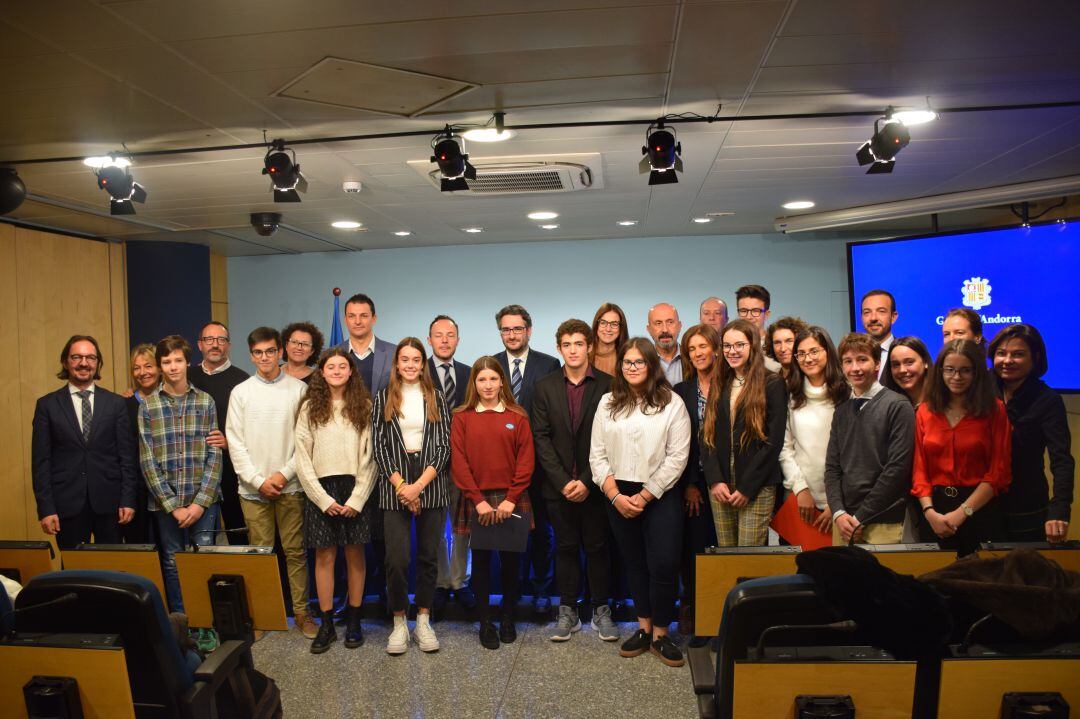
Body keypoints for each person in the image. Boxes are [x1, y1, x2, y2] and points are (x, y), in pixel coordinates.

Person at [590, 338, 690, 667]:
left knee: (662, 564)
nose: (632, 368)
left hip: (660, 493)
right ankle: (643, 628)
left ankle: (662, 633)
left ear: (651, 365)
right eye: (627, 362)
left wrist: (646, 495)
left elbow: (677, 458)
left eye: (639, 362)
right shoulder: (607, 403)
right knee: (634, 563)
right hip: (617, 493)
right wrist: (615, 495)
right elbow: (597, 455)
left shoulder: (672, 402)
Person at [530, 319, 617, 643]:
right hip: (558, 488)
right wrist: (564, 481)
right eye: (567, 345)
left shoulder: (609, 385)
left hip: (596, 486)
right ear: (559, 348)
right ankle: (567, 610)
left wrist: (587, 482)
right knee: (565, 548)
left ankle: (601, 610)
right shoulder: (545, 386)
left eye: (579, 344)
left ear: (590, 347)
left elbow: (612, 438)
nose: (573, 350)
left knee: (597, 548)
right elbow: (541, 437)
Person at [225, 327, 312, 638]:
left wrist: (283, 475)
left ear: (280, 352)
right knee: (261, 556)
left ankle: (302, 613)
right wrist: (258, 480)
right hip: (253, 490)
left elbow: (305, 441)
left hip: (290, 486)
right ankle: (262, 617)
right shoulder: (241, 392)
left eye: (270, 351)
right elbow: (235, 444)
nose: (265, 357)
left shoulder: (299, 390)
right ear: (251, 355)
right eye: (258, 353)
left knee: (296, 553)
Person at [294, 348, 378, 654]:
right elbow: (302, 458)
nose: (338, 370)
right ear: (322, 372)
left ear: (351, 371)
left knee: (355, 554)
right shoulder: (308, 409)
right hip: (321, 491)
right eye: (331, 366)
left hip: (356, 488)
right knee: (324, 557)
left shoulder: (364, 406)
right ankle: (327, 623)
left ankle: (354, 619)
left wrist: (357, 498)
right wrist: (320, 498)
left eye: (343, 366)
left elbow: (371, 458)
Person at [371, 338, 451, 655]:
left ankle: (424, 619)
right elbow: (379, 447)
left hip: (430, 478)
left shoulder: (437, 398)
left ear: (423, 363)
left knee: (429, 557)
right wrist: (403, 486)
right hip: (394, 482)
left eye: (416, 359)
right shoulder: (384, 398)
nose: (410, 365)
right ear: (397, 364)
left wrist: (418, 486)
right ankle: (399, 622)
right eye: (404, 359)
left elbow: (444, 447)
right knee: (397, 560)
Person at [451, 357, 536, 650]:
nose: (487, 385)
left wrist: (512, 499)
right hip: (478, 501)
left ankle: (508, 618)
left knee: (511, 563)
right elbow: (459, 462)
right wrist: (477, 501)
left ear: (502, 381)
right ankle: (486, 622)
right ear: (474, 384)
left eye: (493, 379)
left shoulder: (518, 415)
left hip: (512, 499)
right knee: (483, 565)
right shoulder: (462, 416)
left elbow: (526, 461)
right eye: (481, 379)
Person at [139, 335, 222, 614]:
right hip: (167, 502)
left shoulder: (205, 402)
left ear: (188, 362)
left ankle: (206, 619)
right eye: (166, 362)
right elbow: (147, 460)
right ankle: (182, 620)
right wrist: (173, 506)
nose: (173, 367)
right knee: (172, 561)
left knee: (204, 557)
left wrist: (200, 502)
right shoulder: (148, 406)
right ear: (160, 366)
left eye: (178, 360)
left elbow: (215, 454)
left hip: (203, 499)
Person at [31, 335, 138, 549]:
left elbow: (127, 457)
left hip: (110, 504)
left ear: (97, 363)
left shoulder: (116, 404)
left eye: (90, 357)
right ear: (65, 362)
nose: (84, 363)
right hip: (66, 505)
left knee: (110, 571)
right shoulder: (47, 405)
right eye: (77, 357)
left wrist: (128, 500)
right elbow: (41, 463)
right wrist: (46, 508)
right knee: (73, 573)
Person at [913, 340, 1012, 556]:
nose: (956, 377)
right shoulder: (925, 411)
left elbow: (998, 473)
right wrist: (930, 513)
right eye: (950, 370)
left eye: (965, 370)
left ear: (976, 373)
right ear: (940, 371)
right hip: (935, 514)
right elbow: (919, 471)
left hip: (980, 511)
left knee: (982, 585)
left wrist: (962, 512)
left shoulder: (995, 410)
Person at [494, 304, 560, 617]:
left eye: (517, 328)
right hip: (501, 465)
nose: (511, 334)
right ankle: (512, 589)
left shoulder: (549, 364)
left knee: (542, 531)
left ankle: (542, 591)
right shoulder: (490, 366)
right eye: (506, 329)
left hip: (540, 465)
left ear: (529, 331)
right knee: (508, 530)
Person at [702, 320, 788, 547]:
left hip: (756, 485)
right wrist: (715, 480)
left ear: (753, 345)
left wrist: (747, 487)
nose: (732, 351)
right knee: (726, 555)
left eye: (739, 345)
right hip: (720, 486)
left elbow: (774, 441)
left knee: (749, 558)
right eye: (727, 346)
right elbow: (707, 435)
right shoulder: (720, 382)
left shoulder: (773, 383)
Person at [824, 333, 914, 546]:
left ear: (877, 364)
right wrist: (838, 512)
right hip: (844, 523)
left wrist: (860, 518)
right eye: (848, 361)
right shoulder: (842, 411)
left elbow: (897, 469)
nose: (855, 368)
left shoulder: (898, 406)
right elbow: (832, 468)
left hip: (883, 521)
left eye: (862, 359)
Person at [990, 324, 1074, 543]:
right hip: (981, 504)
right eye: (1001, 353)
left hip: (1026, 505)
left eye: (1018, 354)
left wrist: (1060, 510)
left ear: (1035, 358)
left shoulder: (1047, 400)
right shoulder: (981, 389)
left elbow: (1062, 460)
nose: (1007, 361)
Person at [672, 324, 719, 645]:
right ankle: (700, 616)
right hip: (694, 483)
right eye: (692, 349)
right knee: (696, 552)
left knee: (725, 552)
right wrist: (689, 483)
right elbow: (682, 443)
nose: (698, 353)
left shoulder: (732, 385)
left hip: (727, 483)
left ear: (715, 348)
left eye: (703, 346)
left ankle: (723, 619)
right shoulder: (682, 390)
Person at [779, 327, 849, 537]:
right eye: (801, 353)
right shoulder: (790, 394)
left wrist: (836, 503)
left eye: (814, 351)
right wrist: (800, 489)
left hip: (842, 502)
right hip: (799, 498)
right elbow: (785, 448)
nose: (808, 359)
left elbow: (854, 455)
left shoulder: (848, 393)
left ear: (828, 351)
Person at [428, 315, 476, 614]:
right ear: (429, 339)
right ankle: (441, 582)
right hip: (428, 465)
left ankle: (461, 581)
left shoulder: (471, 374)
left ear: (458, 340)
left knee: (462, 527)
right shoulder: (416, 373)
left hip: (463, 463)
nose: (444, 340)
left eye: (450, 335)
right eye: (438, 335)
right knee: (434, 527)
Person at [187, 321, 248, 544]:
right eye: (209, 340)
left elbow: (253, 431)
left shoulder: (243, 381)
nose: (215, 345)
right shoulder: (185, 378)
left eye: (221, 340)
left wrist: (229, 443)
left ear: (228, 345)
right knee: (200, 539)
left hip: (232, 470)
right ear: (199, 345)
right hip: (195, 472)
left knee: (237, 533)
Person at [122, 343, 160, 544]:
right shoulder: (124, 404)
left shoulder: (170, 400)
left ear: (159, 368)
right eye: (137, 368)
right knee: (138, 544)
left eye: (148, 366)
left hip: (166, 488)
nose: (143, 372)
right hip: (136, 488)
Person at [335, 293, 395, 394]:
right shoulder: (331, 354)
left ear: (374, 319)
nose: (357, 321)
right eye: (352, 316)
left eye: (364, 316)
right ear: (345, 320)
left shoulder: (394, 353)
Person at [735, 284, 781, 373]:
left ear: (767, 314)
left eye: (755, 311)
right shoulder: (728, 347)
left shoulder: (777, 346)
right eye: (744, 311)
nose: (749, 317)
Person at [882, 337, 934, 407]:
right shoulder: (887, 405)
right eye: (896, 365)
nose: (902, 370)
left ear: (925, 362)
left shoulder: (943, 401)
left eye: (909, 362)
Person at [859, 290, 897, 379]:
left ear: (893, 317)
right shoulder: (851, 356)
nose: (873, 318)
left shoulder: (904, 353)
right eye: (867, 312)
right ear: (861, 318)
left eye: (881, 311)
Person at [646, 302, 683, 384]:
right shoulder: (642, 360)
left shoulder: (693, 358)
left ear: (679, 326)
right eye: (658, 323)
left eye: (670, 322)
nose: (665, 330)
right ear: (649, 329)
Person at [590, 303, 629, 377]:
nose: (608, 329)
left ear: (621, 328)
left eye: (614, 324)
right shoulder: (584, 355)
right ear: (596, 325)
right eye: (603, 323)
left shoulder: (628, 357)